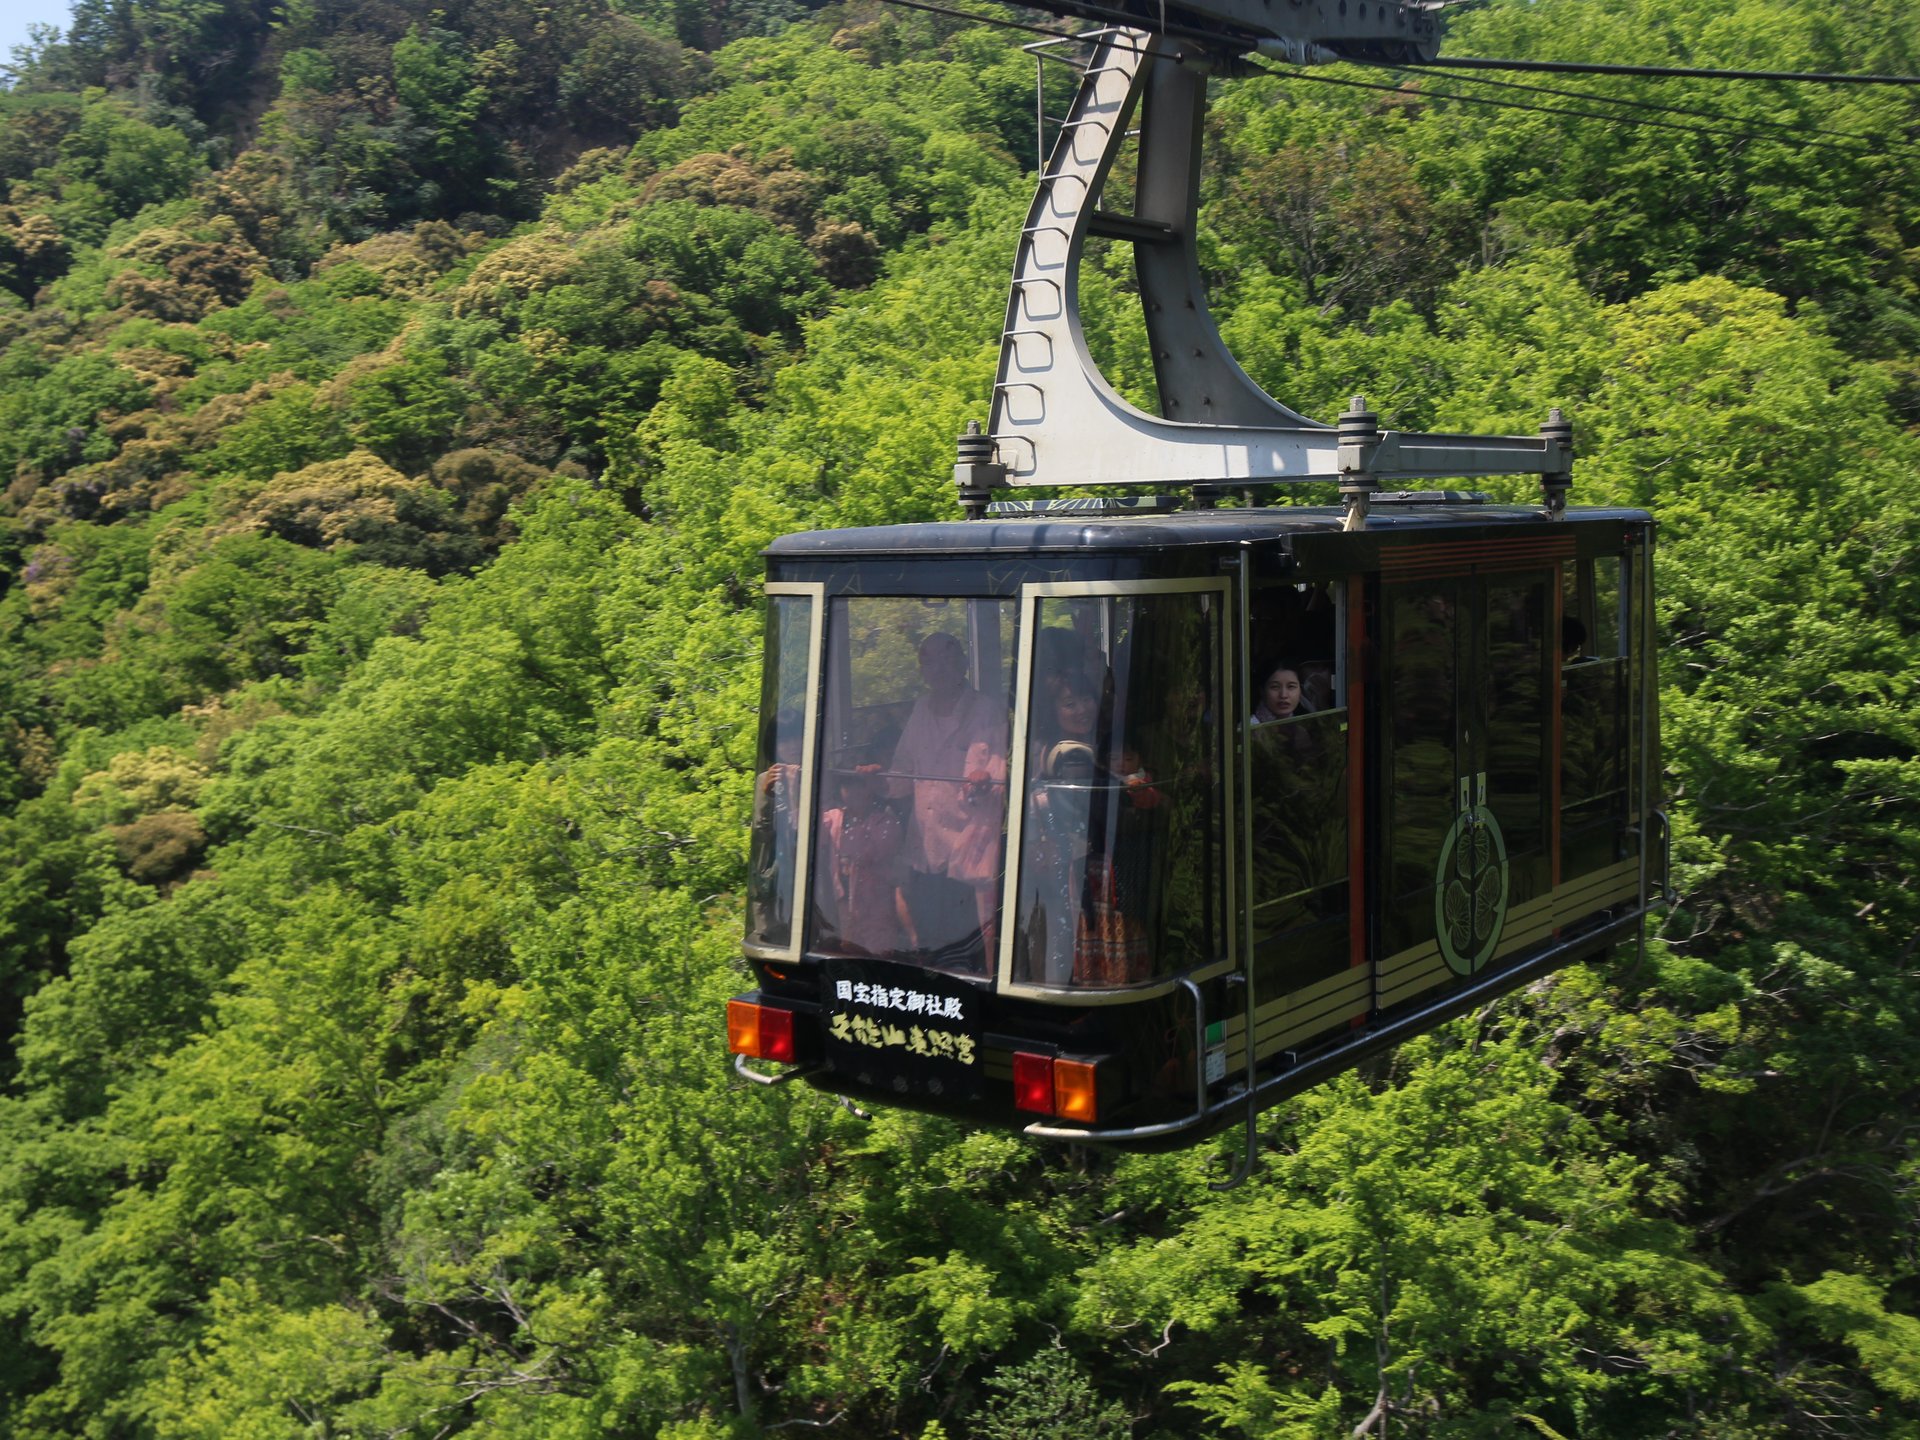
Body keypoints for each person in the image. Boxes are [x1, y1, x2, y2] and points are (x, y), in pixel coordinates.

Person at [888, 630, 1008, 970]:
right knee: (928, 942)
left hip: (966, 851)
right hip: (924, 848)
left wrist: (982, 784)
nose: (938, 669)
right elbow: (902, 771)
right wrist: (874, 779)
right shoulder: (920, 709)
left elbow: (998, 776)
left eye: (946, 660)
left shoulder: (986, 710)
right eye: (929, 662)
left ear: (963, 664)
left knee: (966, 947)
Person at [816, 763, 913, 957]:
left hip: (879, 899)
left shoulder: (885, 820)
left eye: (860, 786)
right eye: (848, 786)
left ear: (870, 789)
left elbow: (876, 852)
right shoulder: (834, 818)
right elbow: (812, 834)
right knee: (849, 948)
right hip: (844, 898)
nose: (854, 792)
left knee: (880, 950)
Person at [1251, 661, 1315, 726]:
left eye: (1291, 686)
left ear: (1300, 690)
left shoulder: (1307, 725)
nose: (1283, 695)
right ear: (1262, 691)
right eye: (1275, 687)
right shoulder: (1249, 728)